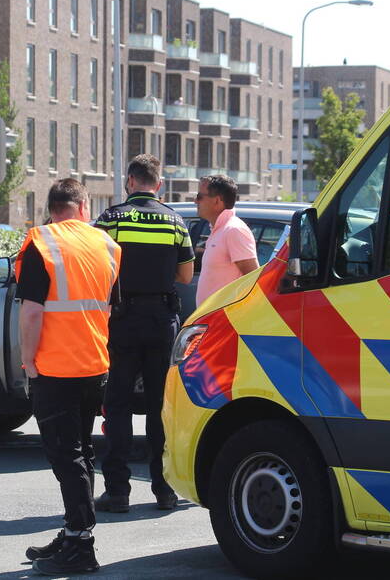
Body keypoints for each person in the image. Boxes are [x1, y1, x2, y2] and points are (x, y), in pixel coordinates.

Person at [16, 178, 122, 575]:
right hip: (94, 365)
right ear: (82, 206)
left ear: (53, 207)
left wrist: (29, 361)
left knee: (66, 455)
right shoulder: (107, 246)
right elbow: (108, 309)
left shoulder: (41, 243)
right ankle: (74, 531)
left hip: (55, 368)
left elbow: (31, 311)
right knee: (81, 452)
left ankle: (81, 543)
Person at [93, 154, 195, 513]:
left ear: (130, 181)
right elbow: (185, 277)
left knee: (117, 406)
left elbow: (97, 268)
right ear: (159, 184)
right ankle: (164, 490)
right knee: (158, 408)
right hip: (161, 320)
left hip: (122, 319)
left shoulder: (111, 218)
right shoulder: (176, 221)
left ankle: (118, 491)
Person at [194, 174, 259, 306]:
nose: (195, 201)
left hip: (224, 320)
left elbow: (254, 280)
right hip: (213, 319)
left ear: (217, 201)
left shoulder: (233, 230)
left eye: (199, 197)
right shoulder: (221, 229)